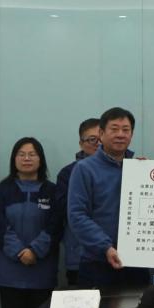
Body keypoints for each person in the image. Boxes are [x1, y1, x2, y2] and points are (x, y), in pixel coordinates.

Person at [69, 107, 148, 288]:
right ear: (101, 133)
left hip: (135, 261)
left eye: (126, 130)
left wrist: (147, 176)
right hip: (97, 262)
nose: (120, 134)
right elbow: (77, 216)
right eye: (114, 129)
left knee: (138, 307)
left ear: (131, 135)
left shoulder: (139, 169)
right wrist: (105, 247)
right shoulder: (84, 169)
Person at [0, 137, 58, 308]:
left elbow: (55, 225)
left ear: (40, 159)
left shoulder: (51, 190)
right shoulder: (3, 190)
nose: (26, 158)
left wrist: (35, 250)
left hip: (42, 271)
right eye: (21, 154)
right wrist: (20, 251)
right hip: (10, 272)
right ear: (14, 159)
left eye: (32, 154)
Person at [52, 118, 100, 286]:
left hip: (116, 256)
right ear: (81, 144)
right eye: (92, 139)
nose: (98, 144)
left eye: (101, 138)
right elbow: (66, 211)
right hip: (80, 255)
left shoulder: (124, 168)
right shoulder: (67, 174)